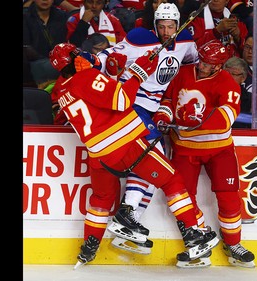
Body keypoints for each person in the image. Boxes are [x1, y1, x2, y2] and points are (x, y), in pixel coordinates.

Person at [48, 42, 219, 269]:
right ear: (72, 59)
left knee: (100, 199)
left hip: (98, 155)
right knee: (172, 180)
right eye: (77, 53)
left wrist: (111, 74)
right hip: (123, 144)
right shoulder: (85, 77)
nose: (83, 54)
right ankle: (192, 234)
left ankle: (89, 247)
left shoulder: (62, 90)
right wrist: (139, 72)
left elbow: (96, 100)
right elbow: (121, 100)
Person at [95, 2, 201, 256]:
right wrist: (91, 61)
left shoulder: (185, 40)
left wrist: (169, 104)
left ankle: (128, 224)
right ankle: (126, 214)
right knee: (154, 163)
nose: (166, 32)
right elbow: (108, 56)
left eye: (170, 26)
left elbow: (191, 65)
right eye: (162, 26)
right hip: (132, 107)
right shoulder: (140, 40)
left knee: (153, 171)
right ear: (155, 26)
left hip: (153, 110)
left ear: (178, 25)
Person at [152, 39, 255, 268]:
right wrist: (163, 115)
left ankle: (233, 243)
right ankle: (199, 242)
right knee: (182, 198)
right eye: (202, 60)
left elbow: (228, 116)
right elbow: (169, 99)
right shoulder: (184, 72)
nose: (202, 66)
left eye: (209, 64)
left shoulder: (227, 82)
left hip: (219, 149)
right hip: (184, 148)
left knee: (228, 197)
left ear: (219, 65)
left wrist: (199, 118)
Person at [23, 0, 69, 85]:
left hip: (60, 63)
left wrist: (83, 23)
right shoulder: (25, 17)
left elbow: (70, 42)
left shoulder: (62, 16)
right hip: (33, 65)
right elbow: (26, 47)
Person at [223, 56, 257, 128]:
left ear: (243, 78)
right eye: (226, 73)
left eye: (233, 74)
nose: (228, 77)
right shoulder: (213, 93)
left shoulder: (251, 100)